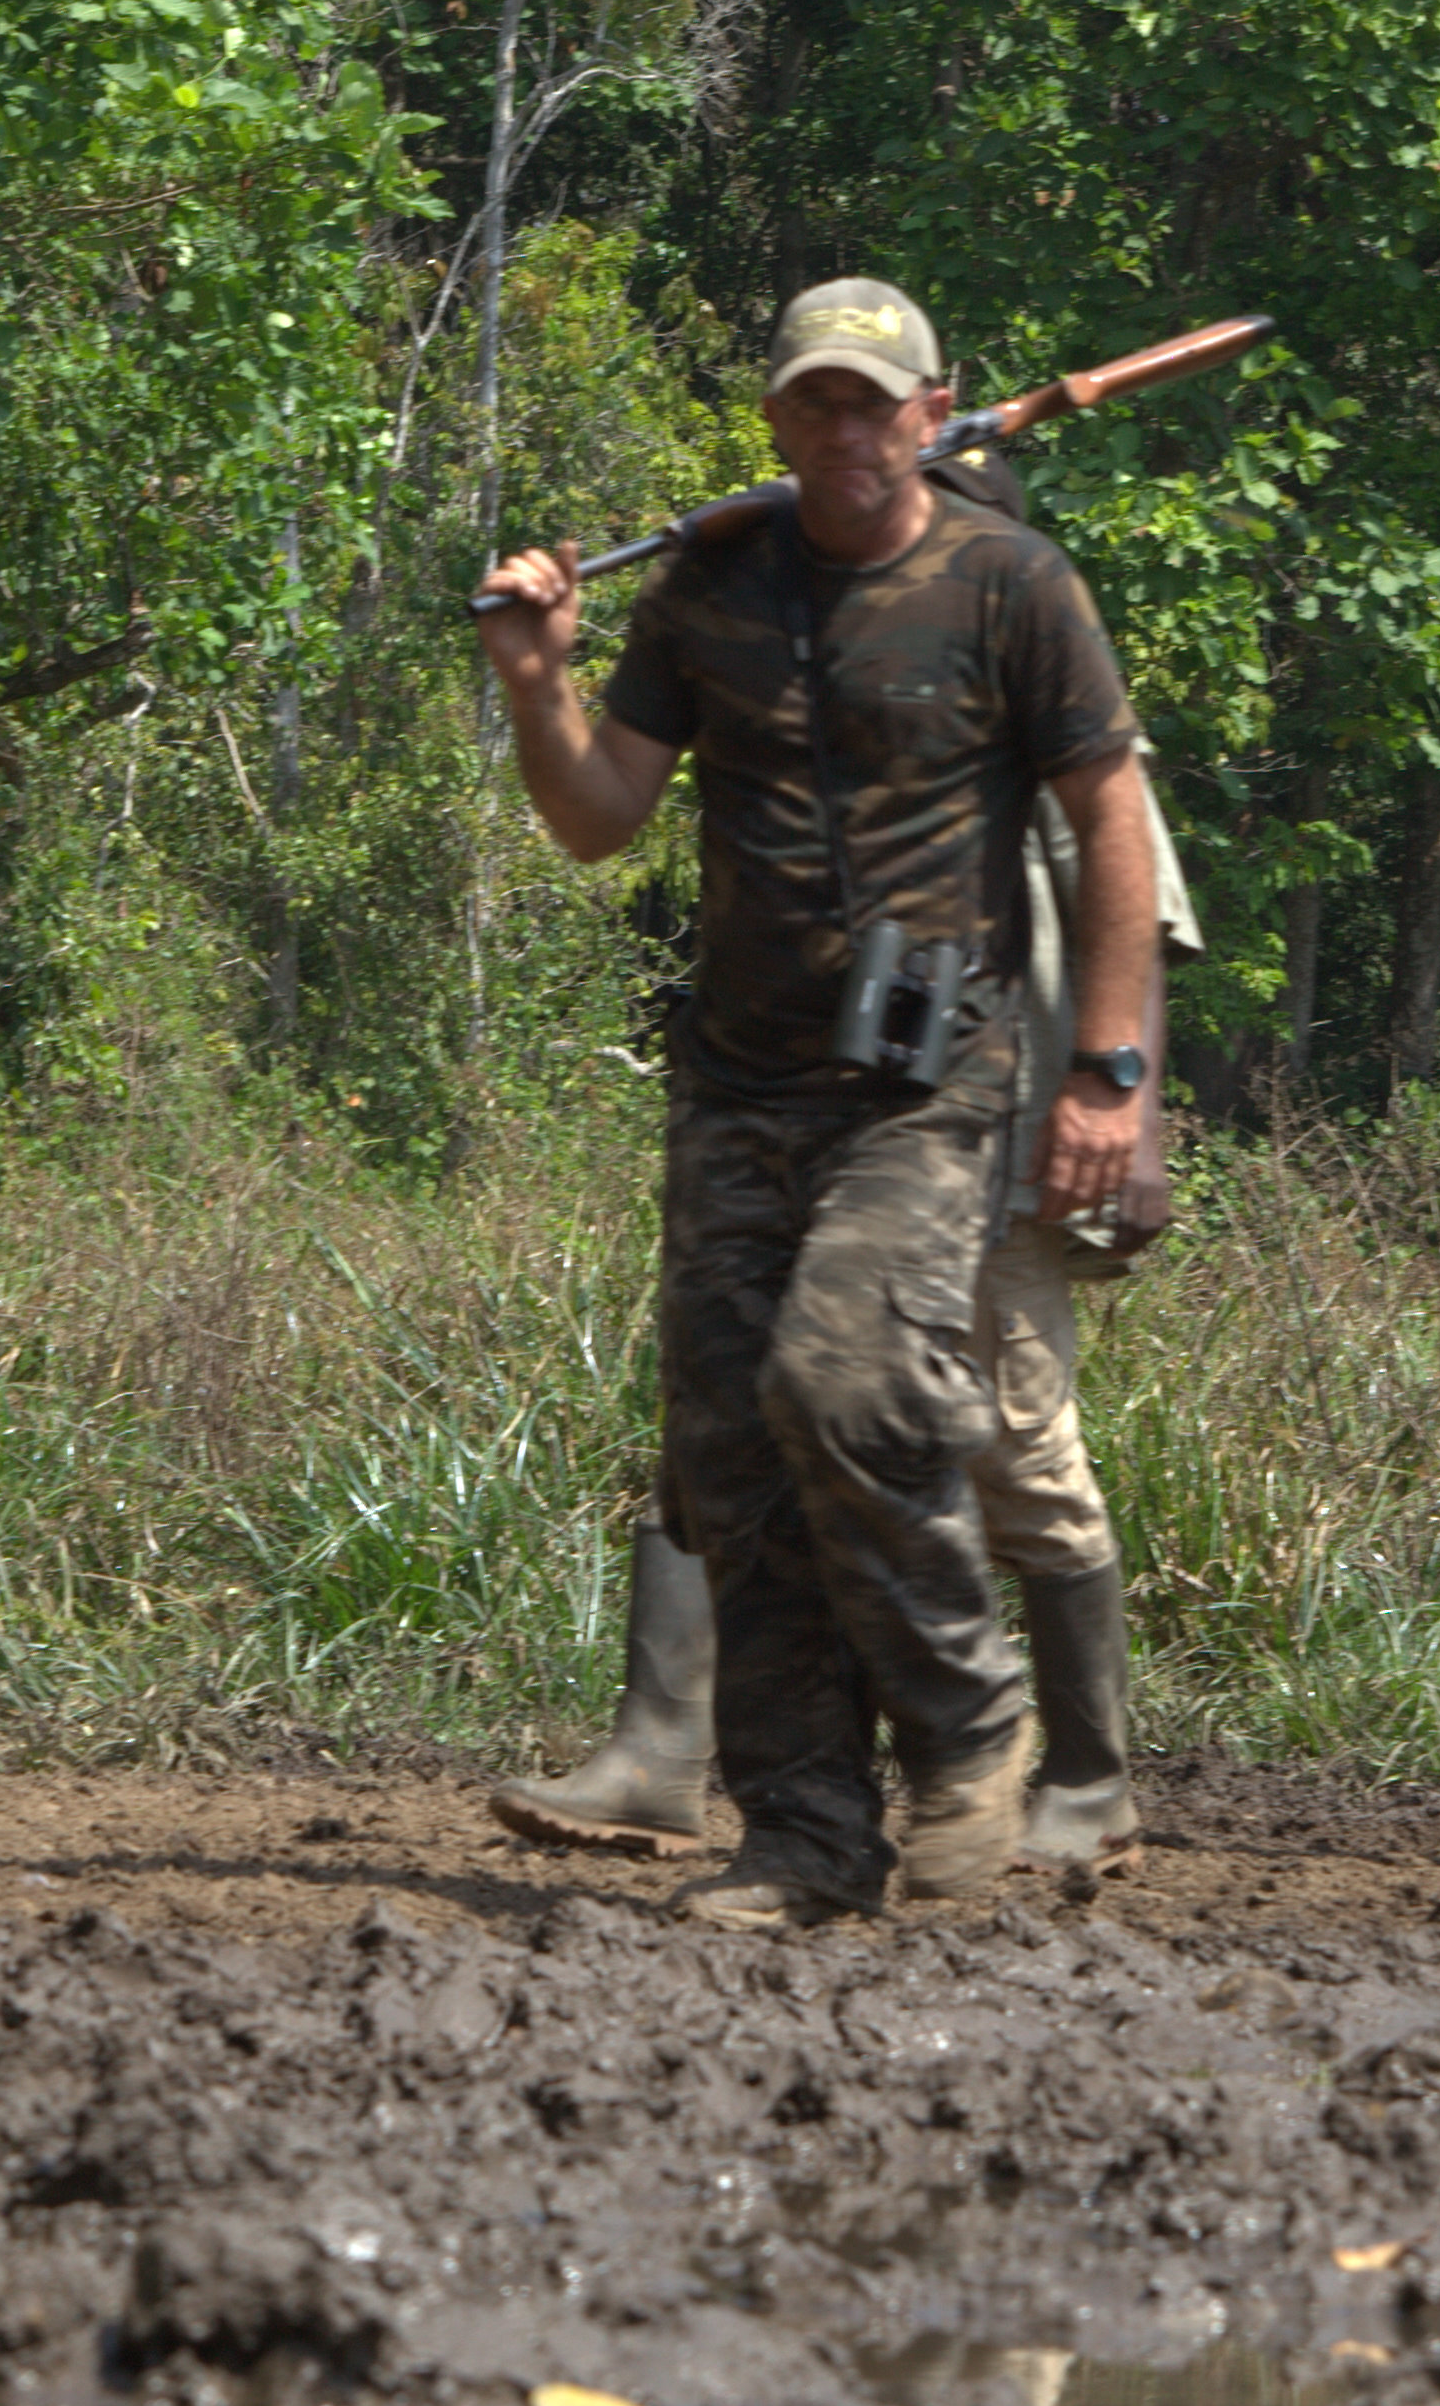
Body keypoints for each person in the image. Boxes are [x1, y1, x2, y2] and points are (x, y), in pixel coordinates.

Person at [476, 275, 1156, 1922]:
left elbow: (1108, 820)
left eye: (876, 401)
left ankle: (962, 1719)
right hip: (733, 1071)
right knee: (730, 1452)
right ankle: (798, 1831)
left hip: (927, 1078)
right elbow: (597, 814)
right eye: (815, 402)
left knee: (848, 1377)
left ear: (933, 413)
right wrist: (533, 679)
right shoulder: (712, 585)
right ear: (774, 417)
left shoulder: (1009, 583)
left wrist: (1109, 1074)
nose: (845, 430)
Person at [490, 652, 1205, 1875]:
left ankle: (1088, 1780)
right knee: (721, 1418)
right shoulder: (810, 664)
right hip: (810, 1132)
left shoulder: (1025, 658)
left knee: (1014, 1447)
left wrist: (1125, 1120)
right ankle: (658, 1749)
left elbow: (1132, 917)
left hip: (1001, 1134)